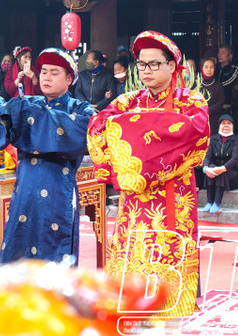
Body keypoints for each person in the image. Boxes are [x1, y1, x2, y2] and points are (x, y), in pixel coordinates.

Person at [87, 30, 209, 317]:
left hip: (173, 198)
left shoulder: (192, 102)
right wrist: (155, 130)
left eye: (155, 63)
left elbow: (194, 134)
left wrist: (131, 134)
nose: (146, 70)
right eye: (142, 64)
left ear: (172, 66)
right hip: (134, 199)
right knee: (133, 252)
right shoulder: (127, 101)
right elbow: (97, 127)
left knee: (171, 249)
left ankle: (172, 306)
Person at [0, 48, 94, 263]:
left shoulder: (81, 109)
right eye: (44, 71)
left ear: (69, 79)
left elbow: (85, 138)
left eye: (54, 72)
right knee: (18, 251)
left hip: (60, 192)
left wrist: (32, 118)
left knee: (56, 254)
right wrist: (12, 114)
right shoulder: (28, 104)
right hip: (25, 191)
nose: (46, 77)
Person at [202, 115, 238, 214]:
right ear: (219, 125)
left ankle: (216, 203)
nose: (226, 126)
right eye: (223, 123)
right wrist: (205, 168)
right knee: (212, 167)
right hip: (215, 174)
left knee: (221, 172)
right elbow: (207, 156)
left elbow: (235, 159)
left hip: (233, 174)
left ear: (233, 126)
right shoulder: (213, 139)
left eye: (229, 123)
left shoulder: (237, 140)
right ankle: (209, 202)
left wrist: (222, 168)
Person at [217, 44, 238, 111]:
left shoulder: (234, 69)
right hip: (216, 105)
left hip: (229, 105)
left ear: (230, 56)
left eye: (223, 53)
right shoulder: (215, 68)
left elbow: (230, 81)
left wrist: (215, 85)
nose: (219, 55)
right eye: (219, 52)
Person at [200, 58, 225, 134]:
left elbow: (220, 103)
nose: (209, 70)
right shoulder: (197, 84)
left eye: (211, 67)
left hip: (214, 120)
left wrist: (207, 110)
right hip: (199, 119)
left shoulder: (218, 85)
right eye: (206, 67)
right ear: (202, 68)